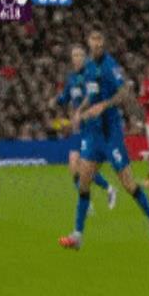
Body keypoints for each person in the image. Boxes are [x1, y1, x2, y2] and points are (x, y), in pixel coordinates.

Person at [58, 27, 149, 250]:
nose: (96, 44)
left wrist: (104, 105)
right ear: (89, 42)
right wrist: (81, 111)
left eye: (99, 40)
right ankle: (77, 235)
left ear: (103, 43)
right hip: (94, 134)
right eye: (92, 40)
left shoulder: (109, 65)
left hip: (111, 134)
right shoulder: (89, 67)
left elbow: (124, 92)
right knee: (83, 182)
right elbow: (91, 94)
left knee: (129, 184)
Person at [52, 44, 117, 210]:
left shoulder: (90, 75)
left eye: (80, 55)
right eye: (75, 55)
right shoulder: (71, 78)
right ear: (71, 59)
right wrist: (55, 101)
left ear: (85, 57)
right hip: (78, 127)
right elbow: (65, 97)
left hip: (91, 126)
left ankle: (103, 192)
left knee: (83, 166)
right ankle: (101, 193)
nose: (78, 58)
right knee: (74, 166)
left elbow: (92, 96)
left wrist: (80, 112)